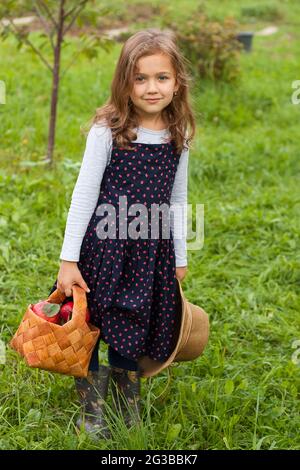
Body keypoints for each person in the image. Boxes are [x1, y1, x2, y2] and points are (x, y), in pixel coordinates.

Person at [48, 28, 196, 438]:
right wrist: (68, 259)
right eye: (141, 78)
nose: (152, 88)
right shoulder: (107, 131)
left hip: (151, 250)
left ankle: (126, 410)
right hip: (104, 247)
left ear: (177, 81)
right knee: (92, 324)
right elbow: (84, 194)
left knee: (136, 322)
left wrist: (179, 256)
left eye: (162, 78)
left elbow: (178, 199)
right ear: (124, 82)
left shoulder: (179, 133)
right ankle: (91, 414)